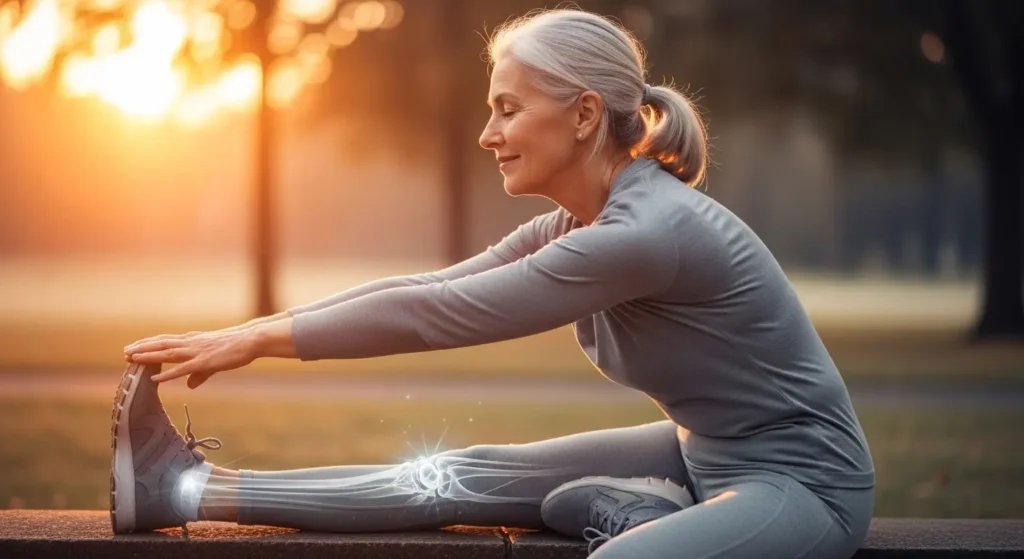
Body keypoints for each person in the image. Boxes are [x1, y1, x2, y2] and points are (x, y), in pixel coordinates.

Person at [115, 8, 875, 558]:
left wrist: (253, 340)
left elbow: (441, 315)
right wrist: (251, 330)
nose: (488, 134)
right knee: (464, 474)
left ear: (582, 115)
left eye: (508, 110)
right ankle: (185, 488)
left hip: (802, 487)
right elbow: (435, 285)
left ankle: (643, 521)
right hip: (703, 450)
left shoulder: (641, 235)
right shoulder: (577, 221)